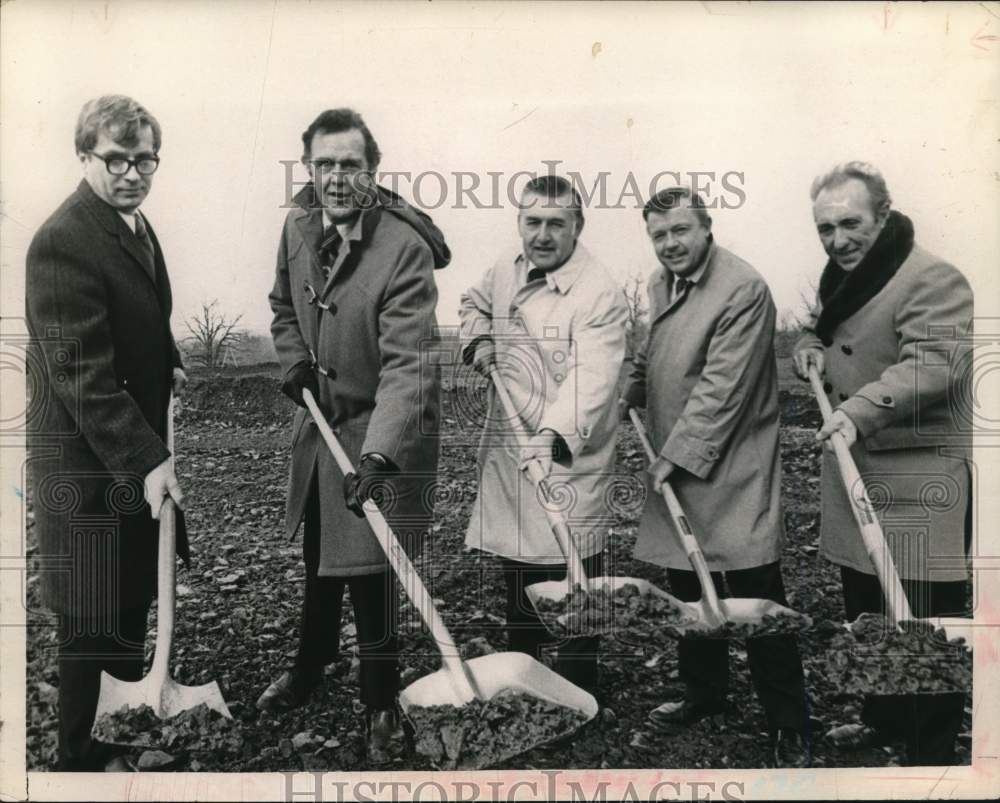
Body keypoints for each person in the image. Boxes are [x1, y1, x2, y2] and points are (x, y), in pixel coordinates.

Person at [261, 108, 449, 762]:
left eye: (350, 164)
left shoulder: (404, 247)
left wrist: (378, 453)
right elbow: (284, 306)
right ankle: (311, 667)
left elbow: (412, 363)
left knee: (372, 571)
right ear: (308, 166)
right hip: (320, 426)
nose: (337, 177)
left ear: (371, 169)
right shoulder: (295, 224)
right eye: (324, 164)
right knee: (320, 556)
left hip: (381, 430)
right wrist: (293, 363)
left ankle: (379, 701)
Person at [621, 187, 810, 768]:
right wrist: (630, 386)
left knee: (755, 594)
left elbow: (721, 390)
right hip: (677, 463)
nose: (669, 244)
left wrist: (674, 456)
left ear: (707, 227)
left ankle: (790, 721)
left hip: (732, 466)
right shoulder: (660, 285)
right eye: (659, 235)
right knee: (687, 590)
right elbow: (650, 352)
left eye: (680, 231)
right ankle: (706, 695)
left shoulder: (742, 288)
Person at [793, 161, 974, 765]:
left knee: (922, 625)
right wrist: (807, 346)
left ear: (884, 215)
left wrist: (860, 409)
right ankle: (884, 721)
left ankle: (931, 750)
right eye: (825, 228)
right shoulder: (843, 279)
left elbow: (933, 364)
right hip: (858, 475)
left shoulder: (932, 278)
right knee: (869, 612)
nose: (838, 240)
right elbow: (829, 334)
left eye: (851, 223)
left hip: (917, 483)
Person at [26, 95, 187, 771]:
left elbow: (135, 320)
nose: (133, 172)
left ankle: (114, 739)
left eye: (145, 157)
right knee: (91, 618)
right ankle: (78, 760)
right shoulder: (65, 238)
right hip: (88, 471)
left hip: (124, 461)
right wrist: (148, 459)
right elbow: (80, 371)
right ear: (85, 155)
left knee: (126, 599)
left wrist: (170, 357)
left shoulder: (132, 225)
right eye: (117, 158)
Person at [459, 174, 628, 696]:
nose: (543, 234)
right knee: (520, 578)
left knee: (577, 578)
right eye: (533, 222)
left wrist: (552, 435)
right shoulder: (505, 270)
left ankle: (580, 690)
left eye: (557, 223)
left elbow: (592, 379)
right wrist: (478, 341)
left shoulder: (599, 293)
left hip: (569, 454)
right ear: (519, 223)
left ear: (578, 226)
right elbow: (472, 303)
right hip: (514, 453)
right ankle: (528, 683)